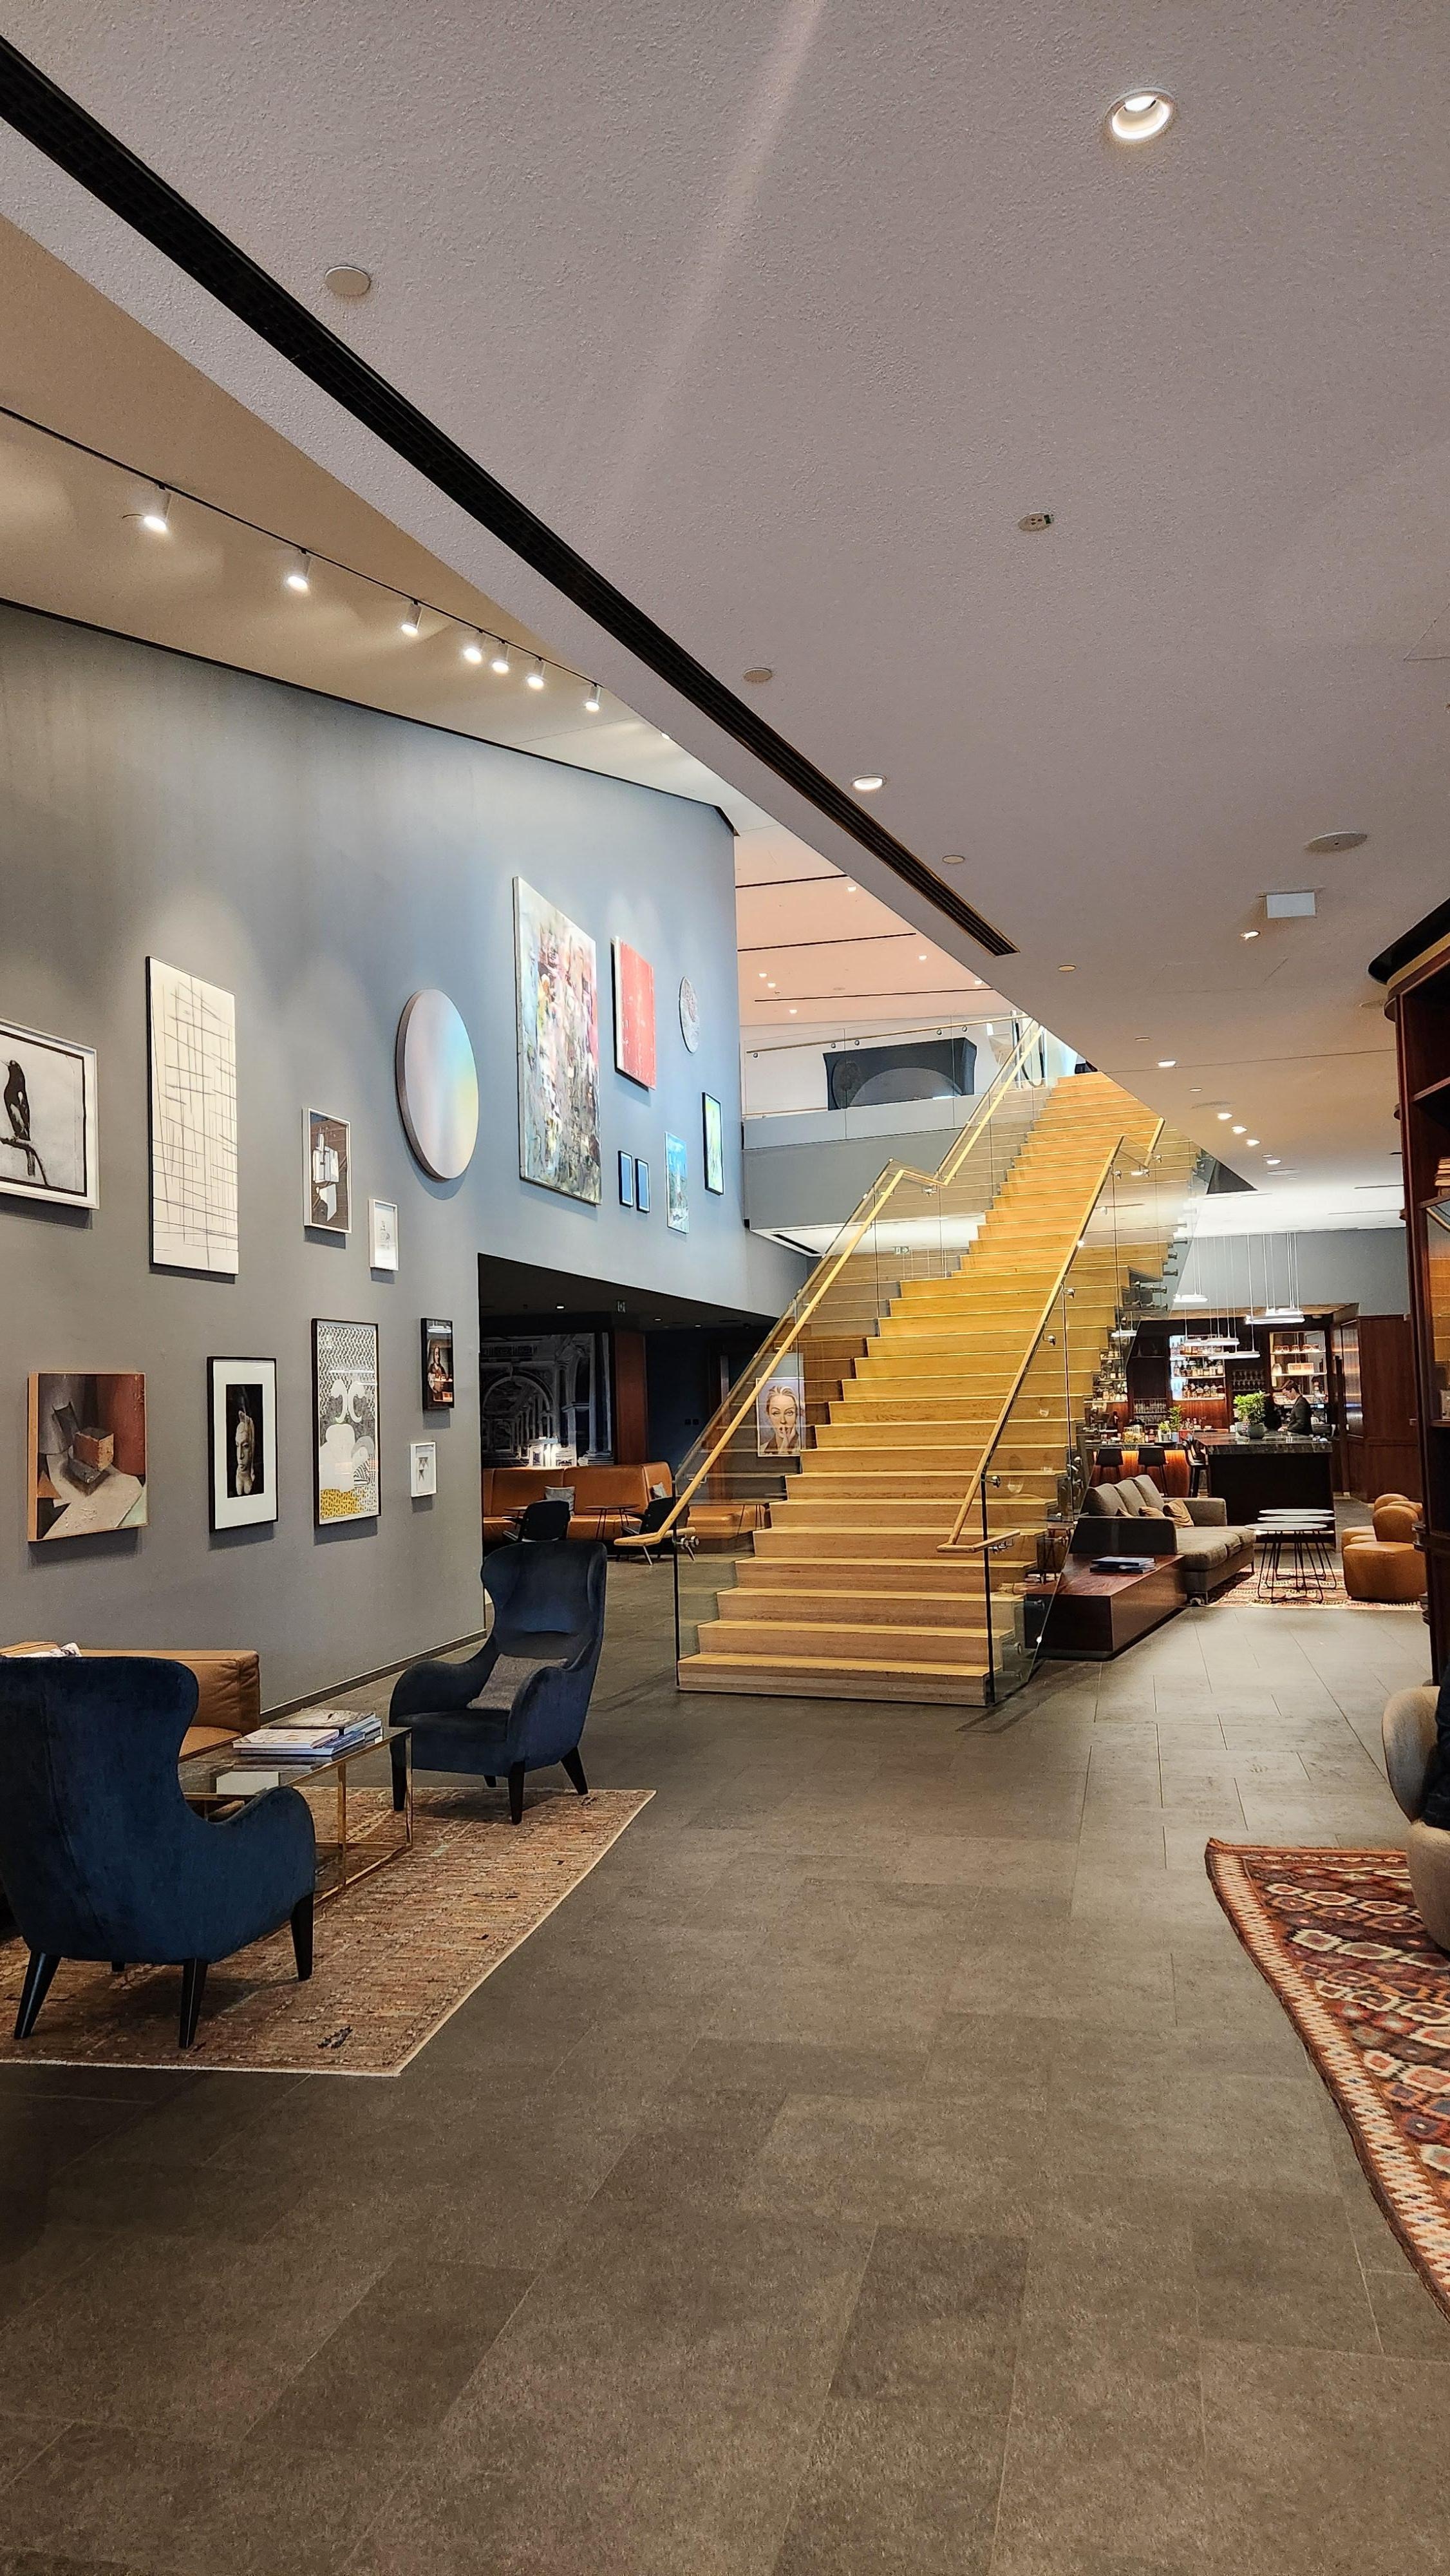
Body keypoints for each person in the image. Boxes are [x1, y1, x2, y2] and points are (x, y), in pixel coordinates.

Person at [760, 1381, 802, 1456]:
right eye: (776, 1413)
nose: (783, 1421)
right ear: (768, 1414)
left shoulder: (805, 1448)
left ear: (797, 1414)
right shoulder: (762, 1450)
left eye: (789, 1413)